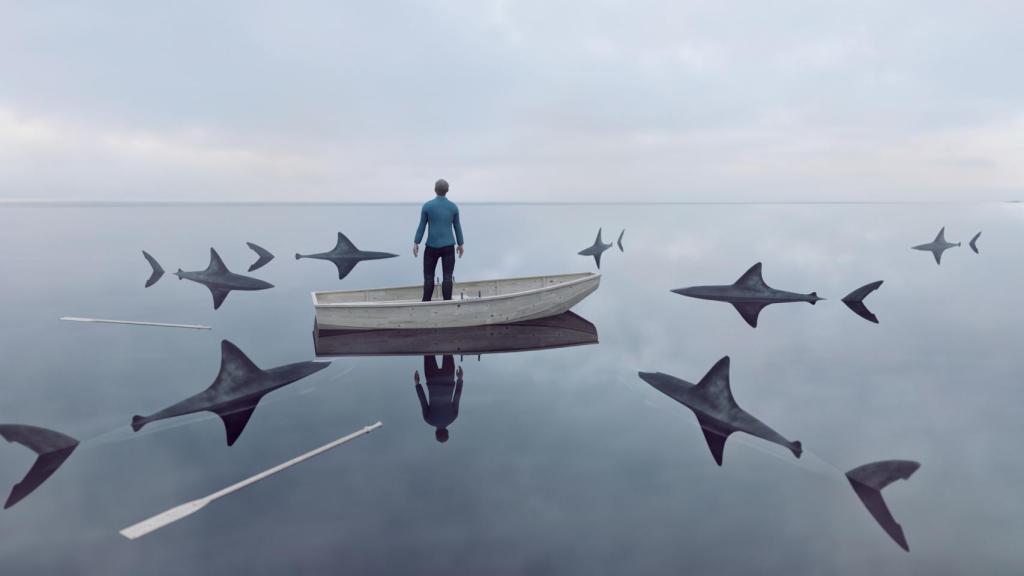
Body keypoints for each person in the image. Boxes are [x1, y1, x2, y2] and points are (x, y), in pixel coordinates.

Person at [413, 179, 464, 301]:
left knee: (429, 277)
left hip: (431, 246)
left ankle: (426, 302)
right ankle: (447, 302)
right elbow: (457, 227)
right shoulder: (453, 207)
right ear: (447, 190)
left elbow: (422, 226)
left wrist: (416, 242)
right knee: (447, 277)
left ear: (435, 190)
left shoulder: (427, 206)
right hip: (448, 247)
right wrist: (460, 244)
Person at [414, 355, 464, 443]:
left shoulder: (453, 417)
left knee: (447, 347)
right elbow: (423, 400)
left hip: (448, 379)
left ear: (447, 432)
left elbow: (457, 396)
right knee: (429, 350)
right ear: (436, 433)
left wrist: (460, 379)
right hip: (432, 380)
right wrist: (417, 383)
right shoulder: (429, 419)